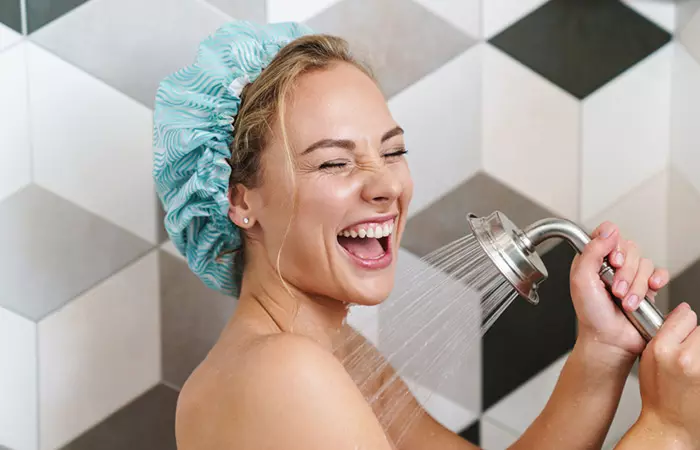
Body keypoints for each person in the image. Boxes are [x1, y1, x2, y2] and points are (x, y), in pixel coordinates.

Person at [153, 20, 700, 450]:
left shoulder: (333, 350)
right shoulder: (283, 372)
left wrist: (602, 351)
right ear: (239, 199)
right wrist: (670, 429)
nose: (385, 186)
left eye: (392, 152)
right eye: (335, 163)